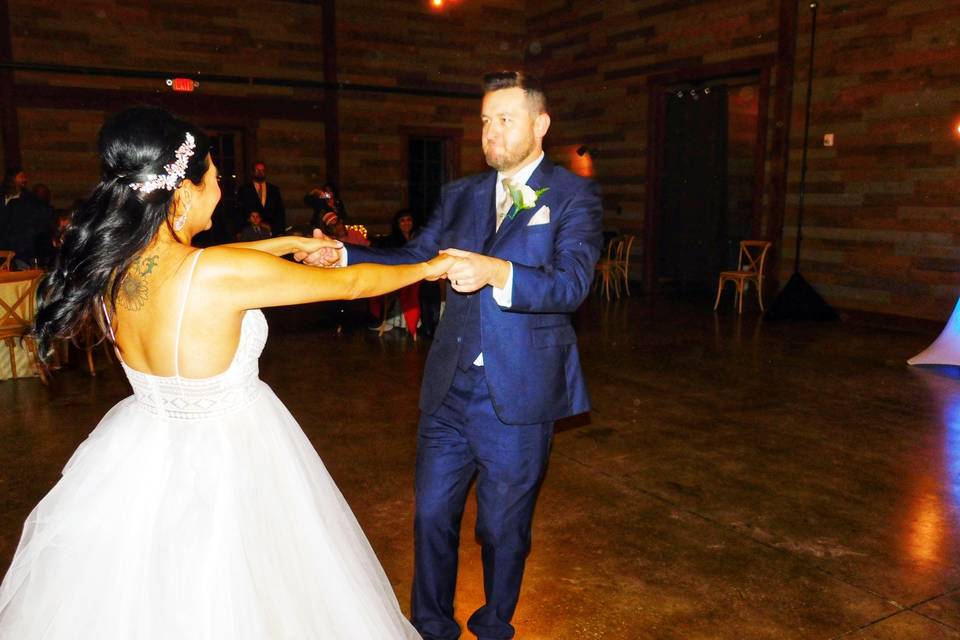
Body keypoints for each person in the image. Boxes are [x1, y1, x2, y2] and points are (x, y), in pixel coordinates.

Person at [0, 107, 457, 638]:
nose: (221, 191)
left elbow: (217, 263)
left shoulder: (114, 262)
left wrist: (288, 243)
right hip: (230, 454)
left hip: (142, 449)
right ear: (184, 191)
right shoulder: (215, 274)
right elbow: (352, 286)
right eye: (215, 178)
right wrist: (430, 267)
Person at [304, 70, 603, 640]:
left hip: (517, 394)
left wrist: (498, 271)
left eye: (505, 119)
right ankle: (431, 626)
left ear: (540, 125)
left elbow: (571, 285)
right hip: (449, 388)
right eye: (486, 121)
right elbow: (416, 255)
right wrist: (346, 254)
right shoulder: (461, 194)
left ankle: (494, 624)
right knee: (431, 515)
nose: (491, 132)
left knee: (501, 528)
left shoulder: (573, 195)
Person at [236, 160, 285, 236]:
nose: (260, 172)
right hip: (251, 231)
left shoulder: (274, 190)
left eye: (262, 170)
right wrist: (239, 231)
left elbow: (280, 211)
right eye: (257, 170)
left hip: (272, 231)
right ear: (252, 172)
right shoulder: (244, 190)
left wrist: (280, 231)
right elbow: (240, 212)